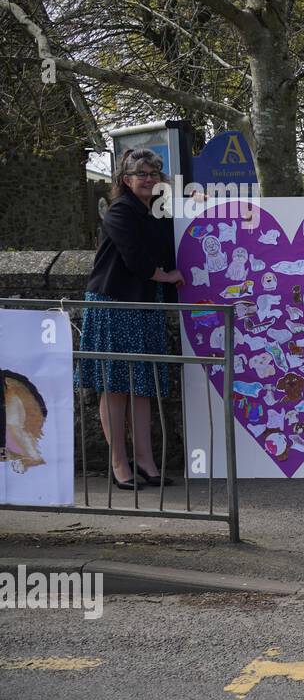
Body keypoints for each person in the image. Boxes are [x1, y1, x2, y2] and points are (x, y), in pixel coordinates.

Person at [77, 148, 184, 489]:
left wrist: (194, 197)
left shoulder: (157, 211)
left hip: (142, 304)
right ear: (126, 180)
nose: (150, 179)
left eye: (154, 174)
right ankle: (119, 463)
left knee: (142, 386)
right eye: (142, 174)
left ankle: (146, 461)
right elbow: (135, 258)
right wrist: (164, 276)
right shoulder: (120, 210)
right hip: (114, 303)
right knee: (116, 387)